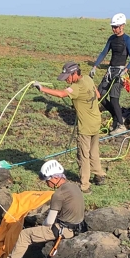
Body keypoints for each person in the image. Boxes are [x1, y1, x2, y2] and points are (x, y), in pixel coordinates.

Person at [0, 160, 84, 258]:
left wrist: (40, 226)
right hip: (75, 226)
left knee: (25, 235)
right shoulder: (74, 187)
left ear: (55, 178)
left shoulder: (58, 194)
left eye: (48, 180)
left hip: (63, 230)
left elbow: (49, 222)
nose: (47, 184)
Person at [34, 62, 105, 192]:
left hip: (86, 127)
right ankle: (99, 175)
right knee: (93, 151)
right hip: (96, 122)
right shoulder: (88, 79)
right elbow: (98, 95)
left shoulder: (76, 88)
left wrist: (42, 88)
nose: (66, 79)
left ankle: (85, 186)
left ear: (74, 73)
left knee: (83, 155)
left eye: (67, 76)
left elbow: (61, 94)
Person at [91, 13, 130, 135]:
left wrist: (125, 70)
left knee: (114, 99)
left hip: (120, 72)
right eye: (113, 27)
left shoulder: (128, 40)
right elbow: (103, 53)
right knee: (100, 95)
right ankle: (117, 117)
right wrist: (95, 66)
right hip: (110, 71)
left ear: (122, 26)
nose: (113, 29)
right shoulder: (111, 39)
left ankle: (121, 126)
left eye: (115, 27)